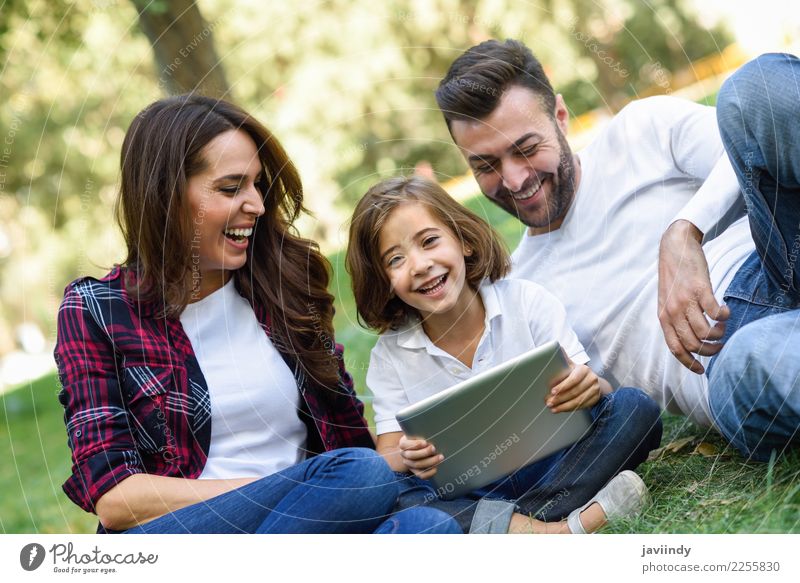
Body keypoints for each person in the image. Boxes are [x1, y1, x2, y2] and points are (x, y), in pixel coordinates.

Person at [54, 94, 460, 534]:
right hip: (183, 536)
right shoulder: (96, 310)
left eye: (258, 185)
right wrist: (293, 487)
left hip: (316, 517)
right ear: (166, 195)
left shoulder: (284, 285)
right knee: (358, 475)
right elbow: (115, 498)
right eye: (231, 188)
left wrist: (409, 452)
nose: (258, 205)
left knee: (426, 526)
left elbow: (350, 442)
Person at [435, 40, 800, 462]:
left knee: (757, 87)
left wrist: (685, 230)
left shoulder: (638, 130)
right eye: (486, 165)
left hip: (775, 253)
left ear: (560, 116)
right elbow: (571, 413)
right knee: (751, 361)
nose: (514, 180)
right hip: (733, 358)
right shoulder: (520, 292)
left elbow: (753, 145)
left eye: (526, 149)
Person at [345, 175, 662, 534]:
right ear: (382, 279)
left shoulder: (526, 301)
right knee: (397, 495)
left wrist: (590, 386)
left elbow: (593, 387)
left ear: (462, 240)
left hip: (558, 460)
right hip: (467, 487)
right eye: (396, 259)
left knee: (635, 409)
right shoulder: (390, 355)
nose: (419, 265)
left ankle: (506, 528)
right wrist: (407, 454)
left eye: (430, 241)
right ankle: (556, 531)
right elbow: (389, 454)